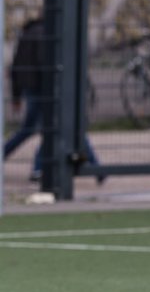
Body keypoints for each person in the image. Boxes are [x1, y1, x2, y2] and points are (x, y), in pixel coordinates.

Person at [4, 14, 104, 184]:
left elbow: (16, 67)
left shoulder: (28, 33)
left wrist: (16, 96)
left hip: (33, 89)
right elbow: (47, 66)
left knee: (32, 129)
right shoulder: (47, 34)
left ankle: (94, 169)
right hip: (47, 91)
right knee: (59, 129)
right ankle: (41, 168)